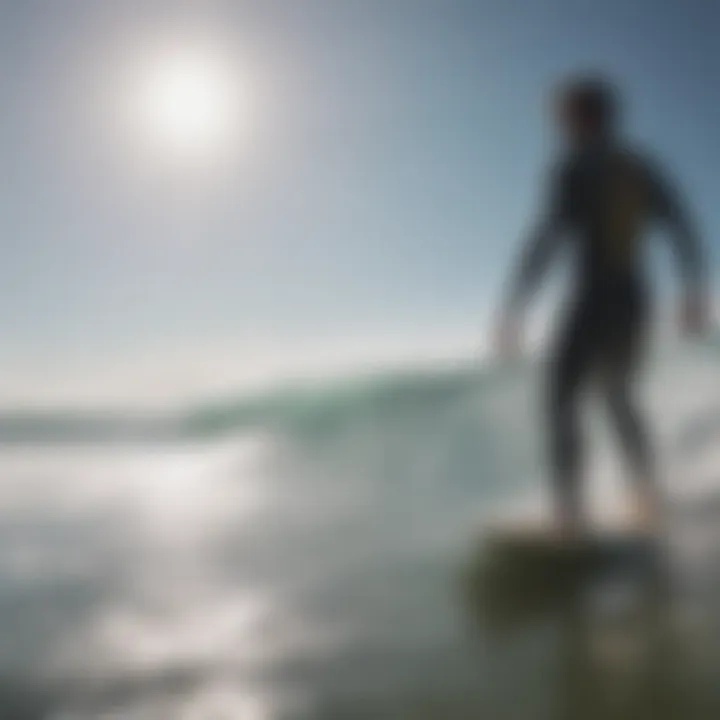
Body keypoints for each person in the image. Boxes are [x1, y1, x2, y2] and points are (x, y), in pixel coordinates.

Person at [497, 75, 710, 537]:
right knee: (617, 396)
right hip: (634, 298)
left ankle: (570, 517)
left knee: (560, 398)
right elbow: (684, 230)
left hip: (595, 295)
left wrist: (515, 306)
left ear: (583, 116)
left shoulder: (573, 168)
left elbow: (547, 239)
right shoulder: (640, 167)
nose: (557, 125)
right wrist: (693, 294)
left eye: (563, 116)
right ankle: (650, 495)